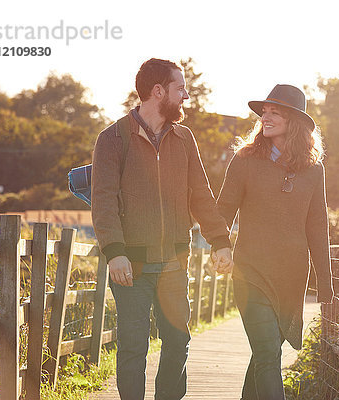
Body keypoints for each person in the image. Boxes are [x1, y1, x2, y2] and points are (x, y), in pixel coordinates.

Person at [91, 58, 233, 400]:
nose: (185, 96)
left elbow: (200, 194)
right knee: (133, 348)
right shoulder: (112, 138)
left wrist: (220, 241)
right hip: (131, 267)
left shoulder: (184, 138)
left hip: (173, 263)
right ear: (158, 92)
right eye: (180, 89)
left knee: (178, 341)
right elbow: (104, 201)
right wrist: (115, 253)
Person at [216, 84, 334, 400]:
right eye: (264, 112)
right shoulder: (245, 159)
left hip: (291, 278)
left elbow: (317, 226)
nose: (265, 117)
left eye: (274, 112)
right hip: (251, 272)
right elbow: (223, 208)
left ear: (294, 121)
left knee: (264, 354)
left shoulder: (313, 169)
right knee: (268, 351)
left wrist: (325, 279)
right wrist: (219, 245)